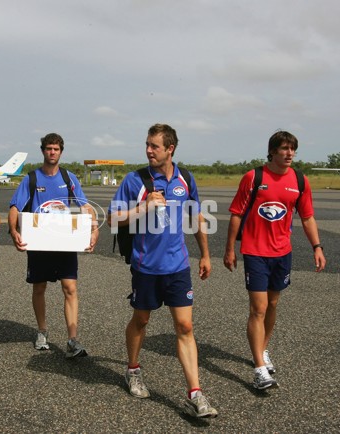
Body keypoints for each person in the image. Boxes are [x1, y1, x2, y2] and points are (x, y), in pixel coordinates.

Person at [107, 123, 217, 419]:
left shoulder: (186, 179)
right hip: (146, 267)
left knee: (185, 327)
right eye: (146, 144)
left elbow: (196, 217)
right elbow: (112, 220)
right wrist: (141, 209)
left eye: (154, 146)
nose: (148, 150)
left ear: (170, 149)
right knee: (141, 320)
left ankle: (195, 393)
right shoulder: (134, 181)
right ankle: (132, 369)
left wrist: (205, 254)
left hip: (178, 266)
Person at [223, 130, 326, 390]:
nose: (289, 153)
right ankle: (259, 369)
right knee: (258, 308)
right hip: (255, 251)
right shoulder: (253, 177)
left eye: (292, 149)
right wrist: (229, 250)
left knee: (272, 304)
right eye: (284, 149)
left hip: (282, 252)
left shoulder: (300, 181)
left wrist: (317, 246)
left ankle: (263, 349)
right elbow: (236, 214)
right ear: (272, 151)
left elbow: (307, 217)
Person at [8, 133, 99, 358]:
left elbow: (85, 205)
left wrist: (94, 228)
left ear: (61, 151)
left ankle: (72, 340)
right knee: (39, 288)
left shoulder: (69, 178)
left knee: (70, 288)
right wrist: (13, 231)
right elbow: (14, 207)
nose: (52, 152)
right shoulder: (31, 179)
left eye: (56, 149)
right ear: (43, 151)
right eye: (48, 148)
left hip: (64, 243)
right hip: (40, 244)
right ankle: (42, 331)